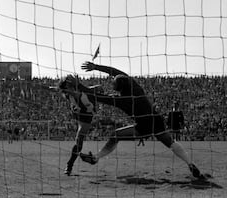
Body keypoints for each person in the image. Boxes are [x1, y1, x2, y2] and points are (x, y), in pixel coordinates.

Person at [72, 61, 205, 180]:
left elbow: (97, 96)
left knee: (115, 135)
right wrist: (96, 67)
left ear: (118, 87)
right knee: (170, 142)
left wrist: (78, 85)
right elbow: (116, 72)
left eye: (113, 83)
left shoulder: (121, 101)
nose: (111, 82)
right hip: (156, 120)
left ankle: (96, 158)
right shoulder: (136, 88)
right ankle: (190, 164)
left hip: (143, 126)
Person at [58, 75, 97, 176]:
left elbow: (77, 94)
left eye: (69, 86)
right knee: (78, 142)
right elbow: (65, 93)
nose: (68, 89)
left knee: (78, 140)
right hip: (79, 117)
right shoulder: (68, 94)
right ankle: (86, 159)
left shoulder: (81, 95)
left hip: (86, 118)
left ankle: (70, 165)